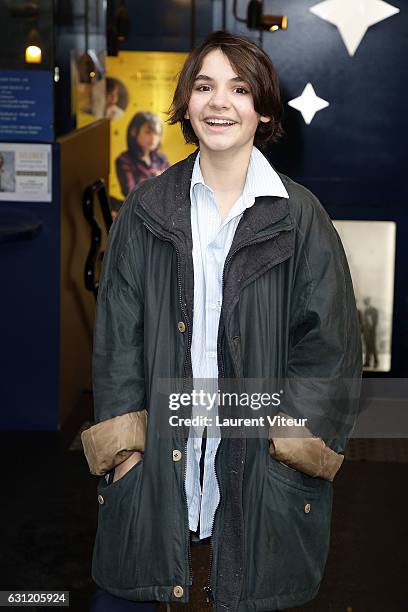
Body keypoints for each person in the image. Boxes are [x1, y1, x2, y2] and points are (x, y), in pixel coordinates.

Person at [82, 30, 362, 611]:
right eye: (204, 86)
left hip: (260, 470)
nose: (219, 102)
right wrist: (128, 453)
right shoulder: (145, 209)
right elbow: (117, 341)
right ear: (185, 102)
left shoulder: (301, 217)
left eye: (239, 89)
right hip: (159, 468)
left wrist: (287, 441)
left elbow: (330, 350)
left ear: (262, 110)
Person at [115, 111, 170, 198]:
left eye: (157, 133)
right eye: (148, 132)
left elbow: (174, 184)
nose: (153, 138)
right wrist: (156, 182)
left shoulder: (161, 159)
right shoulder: (124, 160)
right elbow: (130, 194)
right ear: (133, 131)